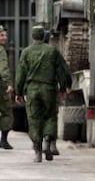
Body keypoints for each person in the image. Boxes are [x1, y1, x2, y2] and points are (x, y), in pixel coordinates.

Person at [15, 25, 72, 162]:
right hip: (49, 90)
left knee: (34, 119)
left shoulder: (26, 52)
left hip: (32, 90)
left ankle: (38, 152)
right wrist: (64, 89)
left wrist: (19, 92)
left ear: (33, 36)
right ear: (44, 36)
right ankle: (48, 140)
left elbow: (20, 74)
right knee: (50, 116)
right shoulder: (53, 51)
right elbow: (63, 71)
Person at [0, 25, 14, 149]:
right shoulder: (1, 50)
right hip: (0, 86)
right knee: (6, 112)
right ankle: (3, 140)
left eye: (5, 35)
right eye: (2, 35)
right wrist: (8, 83)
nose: (5, 37)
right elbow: (3, 69)